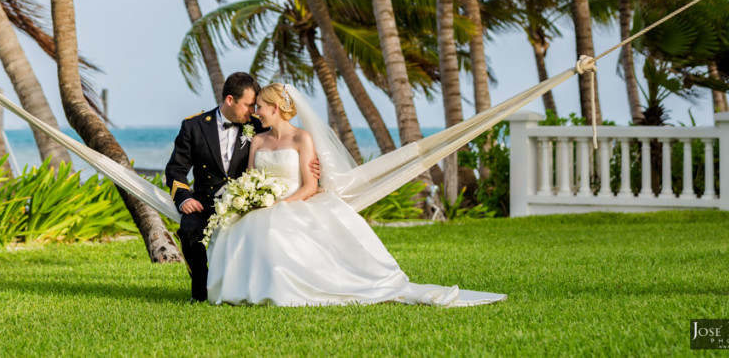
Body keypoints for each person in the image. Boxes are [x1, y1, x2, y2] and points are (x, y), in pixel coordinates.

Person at [205, 82, 506, 307]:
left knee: (274, 229)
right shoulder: (257, 141)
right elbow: (251, 177)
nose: (255, 112)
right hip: (262, 202)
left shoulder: (302, 138)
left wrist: (281, 203)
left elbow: (310, 184)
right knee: (237, 228)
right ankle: (244, 290)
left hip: (296, 201)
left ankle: (284, 289)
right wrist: (254, 198)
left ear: (275, 108)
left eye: (259, 107)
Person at [165, 72, 318, 302]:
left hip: (246, 201)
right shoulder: (194, 126)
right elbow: (176, 169)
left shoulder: (258, 125)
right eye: (248, 105)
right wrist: (185, 198)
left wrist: (317, 166)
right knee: (189, 231)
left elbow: (286, 143)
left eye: (255, 106)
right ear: (229, 100)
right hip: (205, 200)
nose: (252, 111)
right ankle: (201, 290)